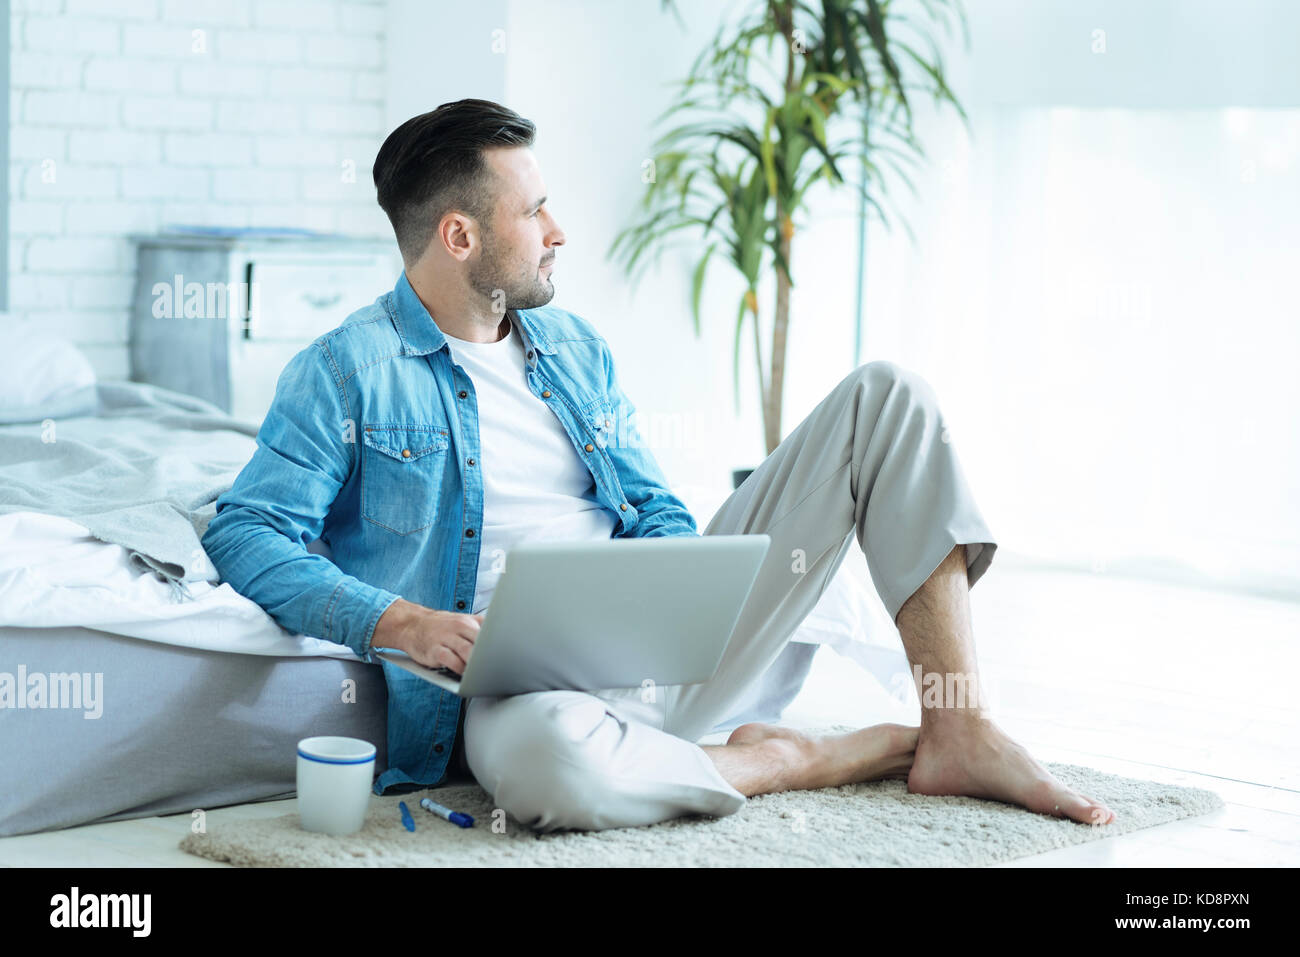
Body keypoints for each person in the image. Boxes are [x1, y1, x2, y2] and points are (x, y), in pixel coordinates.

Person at [202, 98, 1116, 833]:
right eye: (534, 211)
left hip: (662, 641)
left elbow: (648, 502)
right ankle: (792, 759)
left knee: (890, 395)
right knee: (551, 776)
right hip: (522, 686)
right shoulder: (343, 371)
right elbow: (247, 529)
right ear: (459, 238)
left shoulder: (571, 348)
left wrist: (671, 578)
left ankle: (956, 725)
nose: (558, 230)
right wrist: (401, 621)